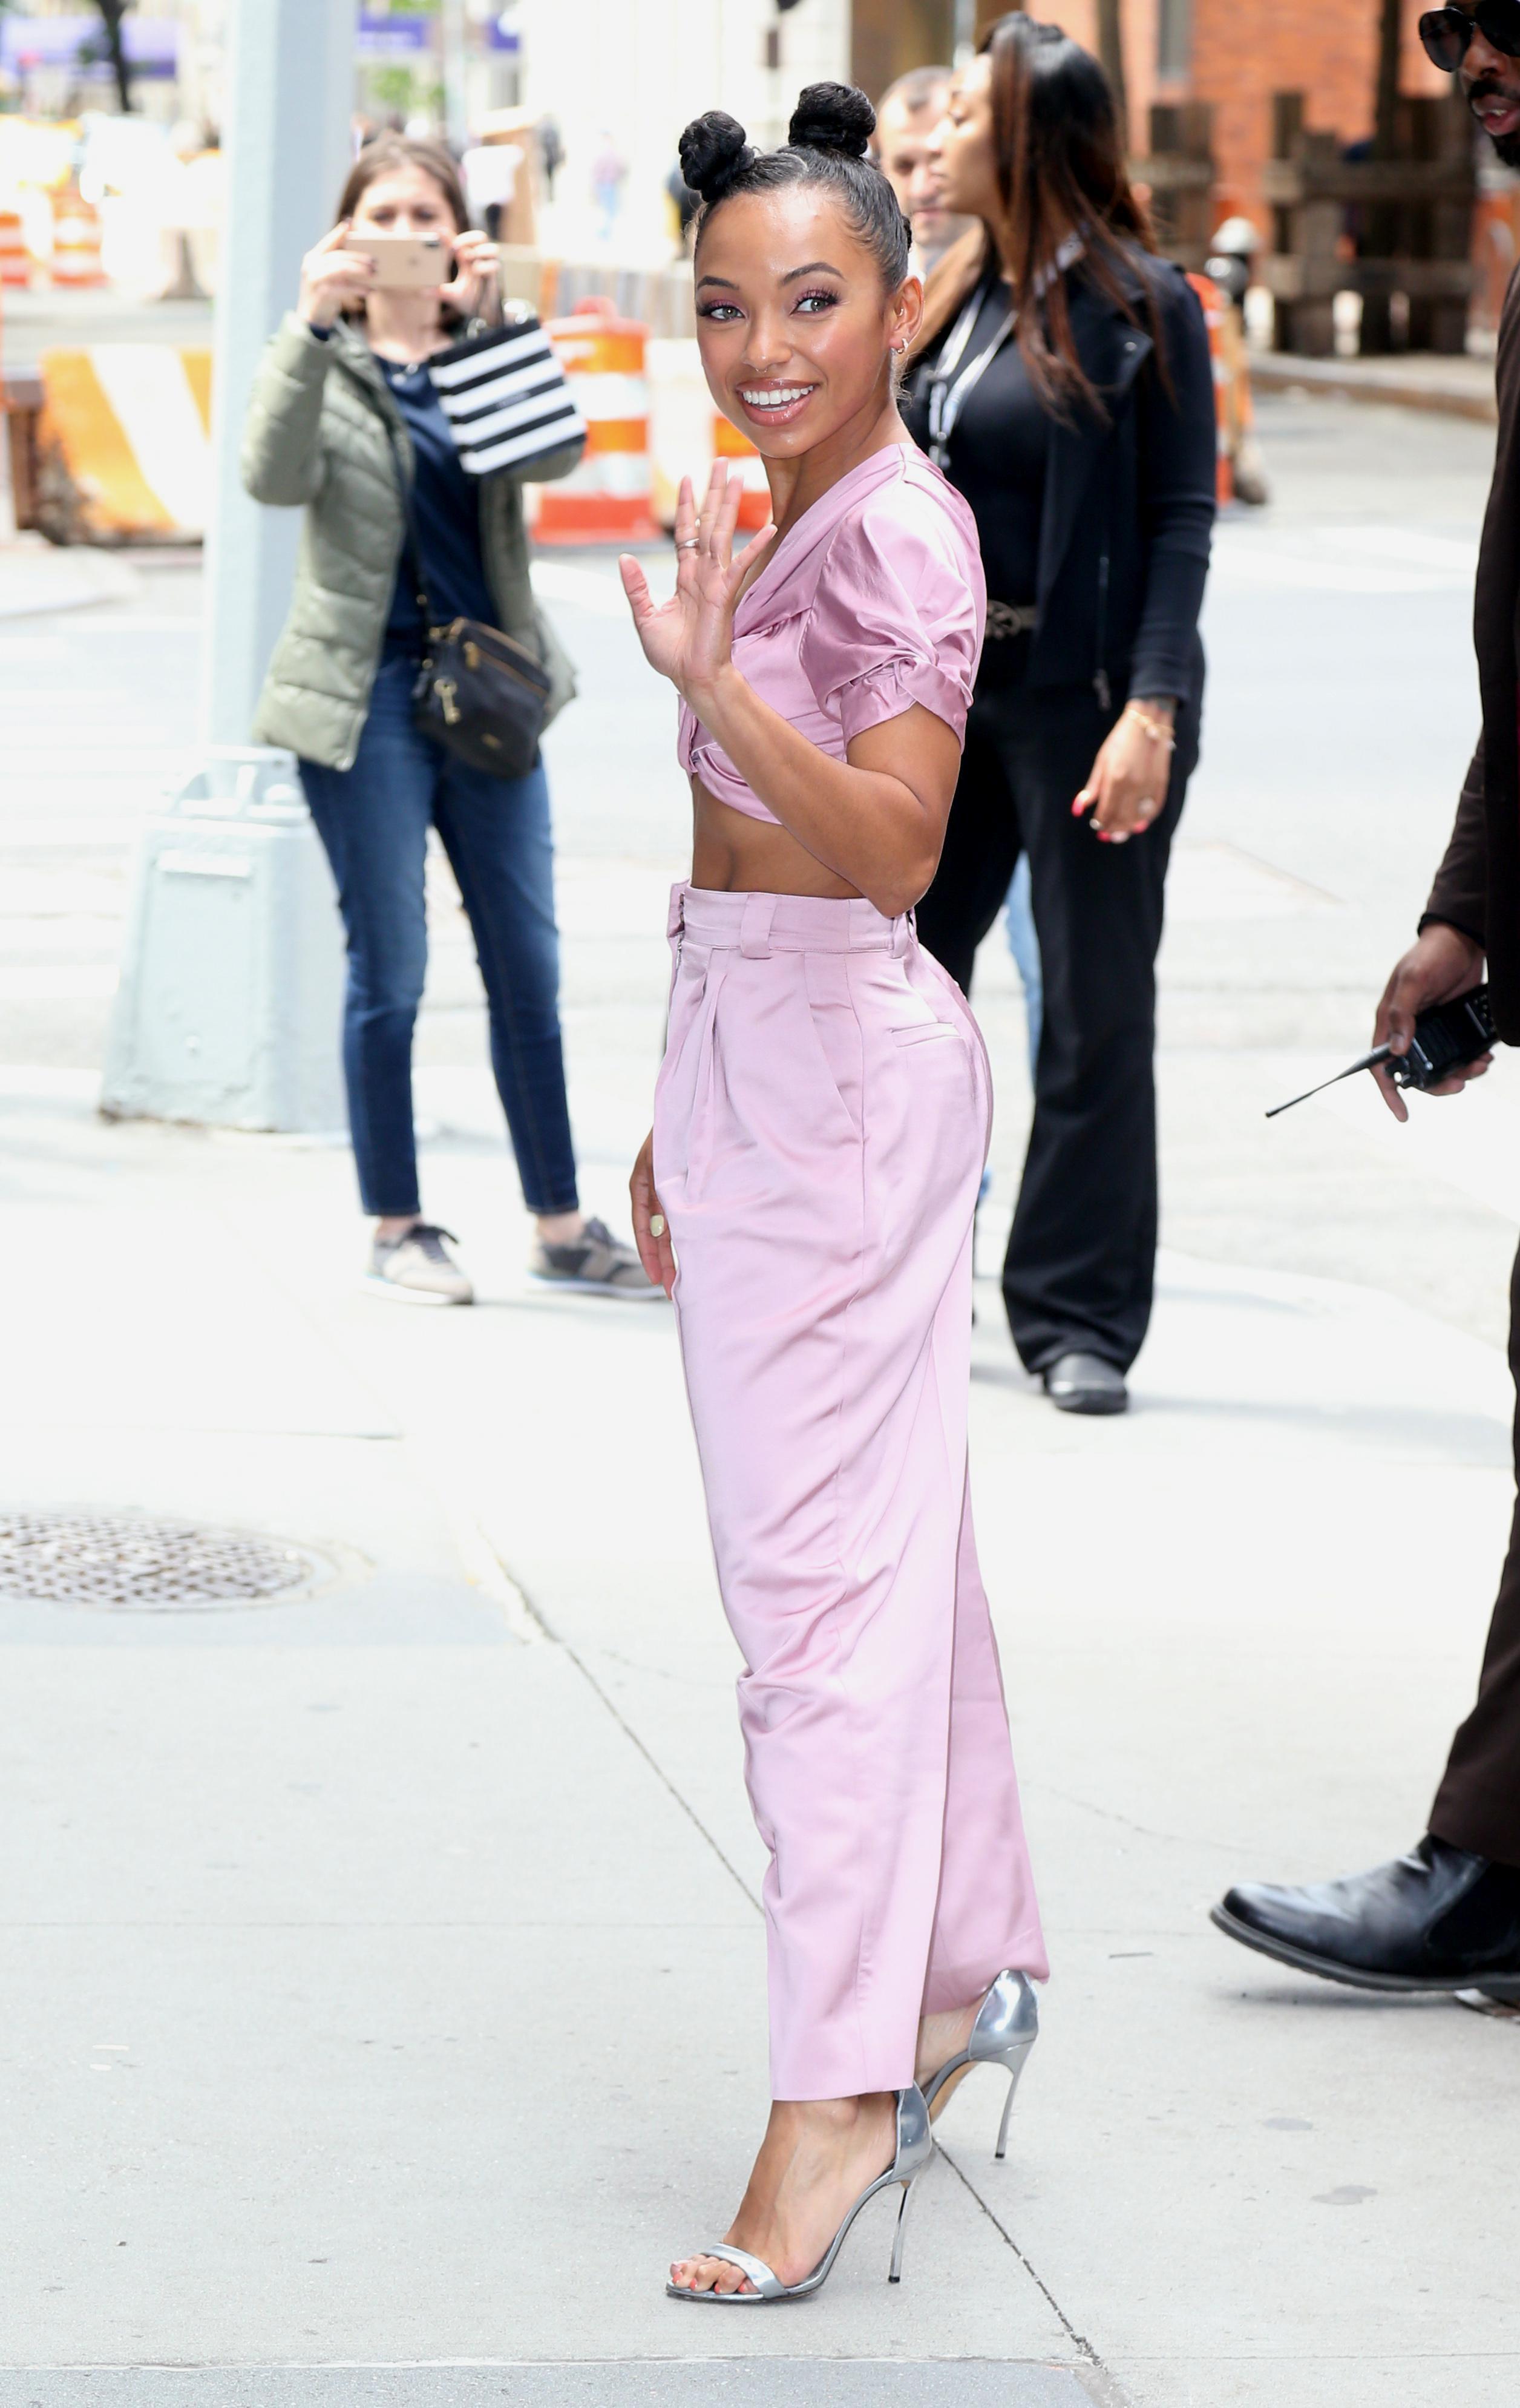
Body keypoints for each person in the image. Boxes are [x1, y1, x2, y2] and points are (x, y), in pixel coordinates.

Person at [623, 82, 1049, 2303]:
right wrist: (668, 1098)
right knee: (889, 1568)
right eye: (723, 306)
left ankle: (836, 2094)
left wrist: (716, 686)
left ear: (898, 306)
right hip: (754, 1064)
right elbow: (732, 862)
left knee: (811, 1619)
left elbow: (890, 853)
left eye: (809, 302)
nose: (762, 346)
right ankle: (960, 1968)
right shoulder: (789, 503)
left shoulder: (898, 530)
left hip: (843, 1087)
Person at [1213, 0, 1520, 2005]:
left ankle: (1487, 1862)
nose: (1461, 55)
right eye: (1438, 24)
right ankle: (1489, 1866)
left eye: (1502, 15)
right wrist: (1467, 908)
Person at [242, 133, 652, 1307]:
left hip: (488, 691)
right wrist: (307, 322)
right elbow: (271, 477)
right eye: (382, 215)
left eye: (426, 216)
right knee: (393, 968)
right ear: (347, 233)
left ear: (458, 233)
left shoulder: (481, 352)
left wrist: (496, 326)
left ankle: (558, 1224)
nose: (405, 236)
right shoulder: (323, 358)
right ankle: (397, 1223)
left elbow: (557, 454)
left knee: (527, 963)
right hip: (365, 694)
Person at [902, 15, 1217, 1416]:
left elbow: (1178, 522)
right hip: (947, 703)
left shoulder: (1146, 304)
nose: (940, 134)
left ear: (1027, 142)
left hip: (1087, 708)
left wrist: (1151, 708)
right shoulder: (955, 289)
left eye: (965, 116)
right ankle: (897, 1275)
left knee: (1090, 1016)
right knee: (904, 982)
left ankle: (1075, 1315)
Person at [877, 63, 1043, 1077]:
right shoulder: (893, 300)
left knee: (1045, 963)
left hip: (1024, 683)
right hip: (919, 690)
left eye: (938, 149)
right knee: (920, 970)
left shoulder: (1015, 289)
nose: (924, 179)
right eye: (901, 164)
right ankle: (940, 1160)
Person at [874, 63, 974, 269]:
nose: (921, 190)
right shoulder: (873, 279)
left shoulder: (1029, 276)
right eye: (904, 167)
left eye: (938, 159)